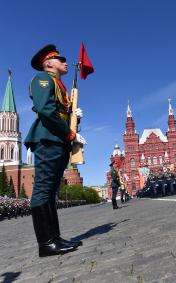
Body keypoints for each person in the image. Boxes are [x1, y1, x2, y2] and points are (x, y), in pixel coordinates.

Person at [24, 44, 86, 257]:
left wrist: (73, 116)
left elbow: (58, 111)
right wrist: (69, 134)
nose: (65, 62)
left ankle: (55, 238)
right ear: (48, 63)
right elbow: (45, 110)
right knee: (43, 189)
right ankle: (46, 243)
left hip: (57, 139)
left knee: (51, 191)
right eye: (60, 59)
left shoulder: (58, 85)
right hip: (49, 138)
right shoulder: (43, 79)